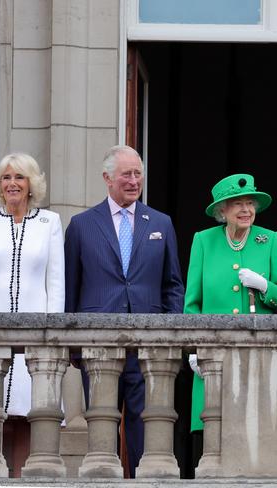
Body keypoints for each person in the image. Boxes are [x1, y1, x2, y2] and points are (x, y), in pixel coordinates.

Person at [64, 145, 184, 478]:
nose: (134, 181)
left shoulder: (161, 223)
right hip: (98, 345)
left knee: (144, 431)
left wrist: (170, 335)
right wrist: (73, 345)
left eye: (138, 174)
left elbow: (173, 284)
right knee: (102, 430)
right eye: (126, 175)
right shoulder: (81, 225)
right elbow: (70, 290)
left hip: (148, 348)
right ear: (107, 178)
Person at [185, 173, 277, 465]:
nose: (246, 210)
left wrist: (264, 286)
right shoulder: (203, 241)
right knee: (211, 436)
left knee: (255, 436)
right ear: (223, 211)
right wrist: (194, 348)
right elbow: (192, 303)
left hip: (257, 355)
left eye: (250, 203)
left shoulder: (269, 240)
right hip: (214, 355)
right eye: (238, 204)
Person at [0, 153, 64, 422]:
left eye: (19, 177)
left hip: (33, 328)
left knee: (27, 409)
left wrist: (53, 332)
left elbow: (55, 282)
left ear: (31, 184)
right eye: (6, 177)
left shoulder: (49, 222)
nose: (12, 183)